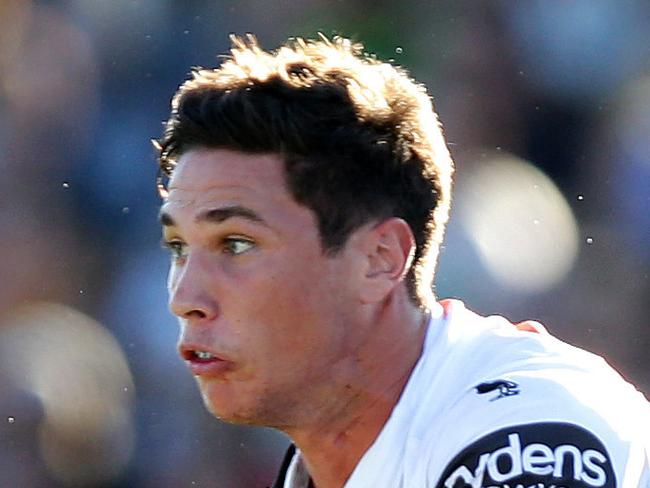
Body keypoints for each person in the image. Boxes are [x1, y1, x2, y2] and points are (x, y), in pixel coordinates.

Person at [155, 35, 650, 488]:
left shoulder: (526, 430)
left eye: (236, 244)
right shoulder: (331, 464)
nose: (184, 299)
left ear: (379, 258)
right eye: (179, 248)